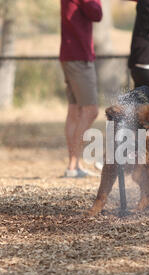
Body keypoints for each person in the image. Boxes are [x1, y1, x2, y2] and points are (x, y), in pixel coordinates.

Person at [60, 0, 103, 178]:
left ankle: (74, 165)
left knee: (75, 111)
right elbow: (96, 13)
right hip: (80, 57)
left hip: (69, 54)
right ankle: (73, 164)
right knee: (91, 111)